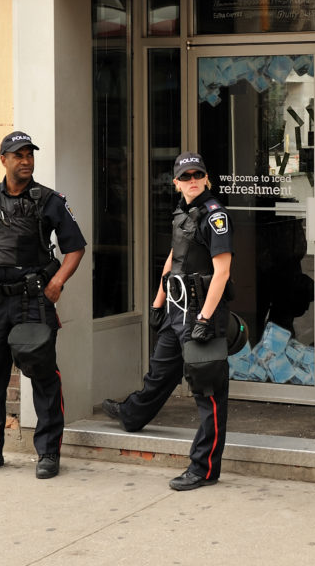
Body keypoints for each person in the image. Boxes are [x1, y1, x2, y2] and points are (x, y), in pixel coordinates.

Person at [0, 130, 86, 480]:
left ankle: (48, 454)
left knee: (43, 377)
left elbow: (75, 247)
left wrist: (58, 282)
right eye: (18, 155)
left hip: (32, 302)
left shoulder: (50, 200)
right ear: (4, 160)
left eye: (30, 155)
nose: (26, 160)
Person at [101, 151, 233, 491]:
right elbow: (173, 260)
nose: (192, 182)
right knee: (160, 373)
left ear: (207, 178)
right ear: (175, 183)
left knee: (208, 392)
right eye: (185, 177)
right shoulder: (182, 213)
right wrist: (157, 303)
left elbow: (222, 272)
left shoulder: (214, 216)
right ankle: (132, 415)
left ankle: (203, 470)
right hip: (177, 309)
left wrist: (204, 318)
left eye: (197, 176)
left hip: (202, 313)